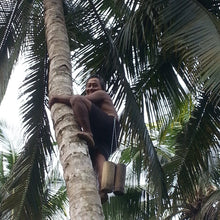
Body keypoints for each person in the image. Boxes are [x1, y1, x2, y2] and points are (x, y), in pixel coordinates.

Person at [49, 75, 120, 203]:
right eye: (88, 85)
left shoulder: (102, 94)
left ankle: (88, 133)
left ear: (101, 88)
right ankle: (103, 189)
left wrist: (56, 98)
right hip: (107, 140)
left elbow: (77, 100)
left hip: (108, 126)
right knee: (99, 158)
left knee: (76, 100)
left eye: (94, 85)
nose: (91, 88)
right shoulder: (94, 106)